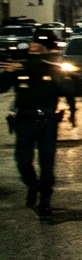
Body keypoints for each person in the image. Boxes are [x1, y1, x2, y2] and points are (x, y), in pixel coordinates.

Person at [0, 35, 76, 217]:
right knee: (23, 161)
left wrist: (73, 113)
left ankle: (45, 199)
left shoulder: (52, 68)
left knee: (47, 163)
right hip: (24, 121)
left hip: (47, 122)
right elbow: (2, 87)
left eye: (38, 44)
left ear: (46, 48)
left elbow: (68, 92)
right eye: (32, 44)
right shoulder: (20, 68)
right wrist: (7, 73)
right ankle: (34, 185)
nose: (33, 46)